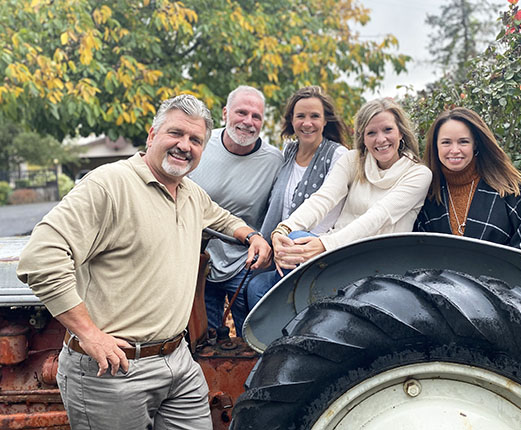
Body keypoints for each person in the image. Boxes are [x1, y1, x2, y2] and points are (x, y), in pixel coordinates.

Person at [16, 94, 271, 430]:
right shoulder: (108, 185)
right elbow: (40, 257)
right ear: (152, 136)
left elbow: (220, 216)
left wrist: (251, 236)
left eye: (195, 140)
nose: (185, 145)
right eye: (175, 133)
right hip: (114, 369)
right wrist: (88, 333)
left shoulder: (190, 192)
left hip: (178, 361)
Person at [270, 98, 432, 274]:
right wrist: (284, 229)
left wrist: (326, 245)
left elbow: (378, 216)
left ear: (400, 132)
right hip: (338, 252)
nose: (381, 139)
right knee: (257, 285)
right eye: (371, 133)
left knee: (297, 242)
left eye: (388, 130)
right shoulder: (353, 160)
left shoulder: (418, 174)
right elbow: (323, 198)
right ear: (362, 137)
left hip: (378, 261)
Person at [188, 86, 283, 335]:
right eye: (242, 112)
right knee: (203, 339)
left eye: (256, 116)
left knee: (250, 338)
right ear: (225, 113)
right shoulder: (200, 146)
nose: (248, 122)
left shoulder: (274, 161)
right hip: (197, 260)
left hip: (245, 263)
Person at [414, 107, 521, 265]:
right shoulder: (426, 195)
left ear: (476, 144)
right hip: (439, 288)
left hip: (501, 288)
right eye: (446, 142)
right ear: (435, 146)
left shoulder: (509, 191)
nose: (455, 150)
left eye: (463, 141)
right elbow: (415, 257)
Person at [246, 86, 350, 308]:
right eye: (300, 116)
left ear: (325, 121)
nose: (307, 123)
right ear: (291, 121)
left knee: (295, 242)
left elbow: (324, 200)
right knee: (254, 286)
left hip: (315, 249)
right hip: (282, 246)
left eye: (315, 116)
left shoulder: (338, 155)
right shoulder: (287, 152)